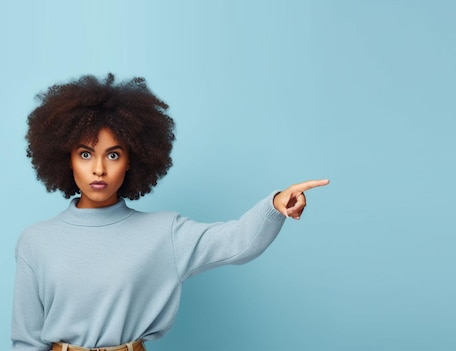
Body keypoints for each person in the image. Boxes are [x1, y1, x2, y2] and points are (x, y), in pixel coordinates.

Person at [11, 74, 329, 351]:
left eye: (113, 154)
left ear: (132, 160)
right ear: (66, 159)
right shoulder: (36, 241)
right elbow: (26, 343)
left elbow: (239, 242)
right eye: (85, 154)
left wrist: (274, 205)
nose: (98, 169)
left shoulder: (165, 233)